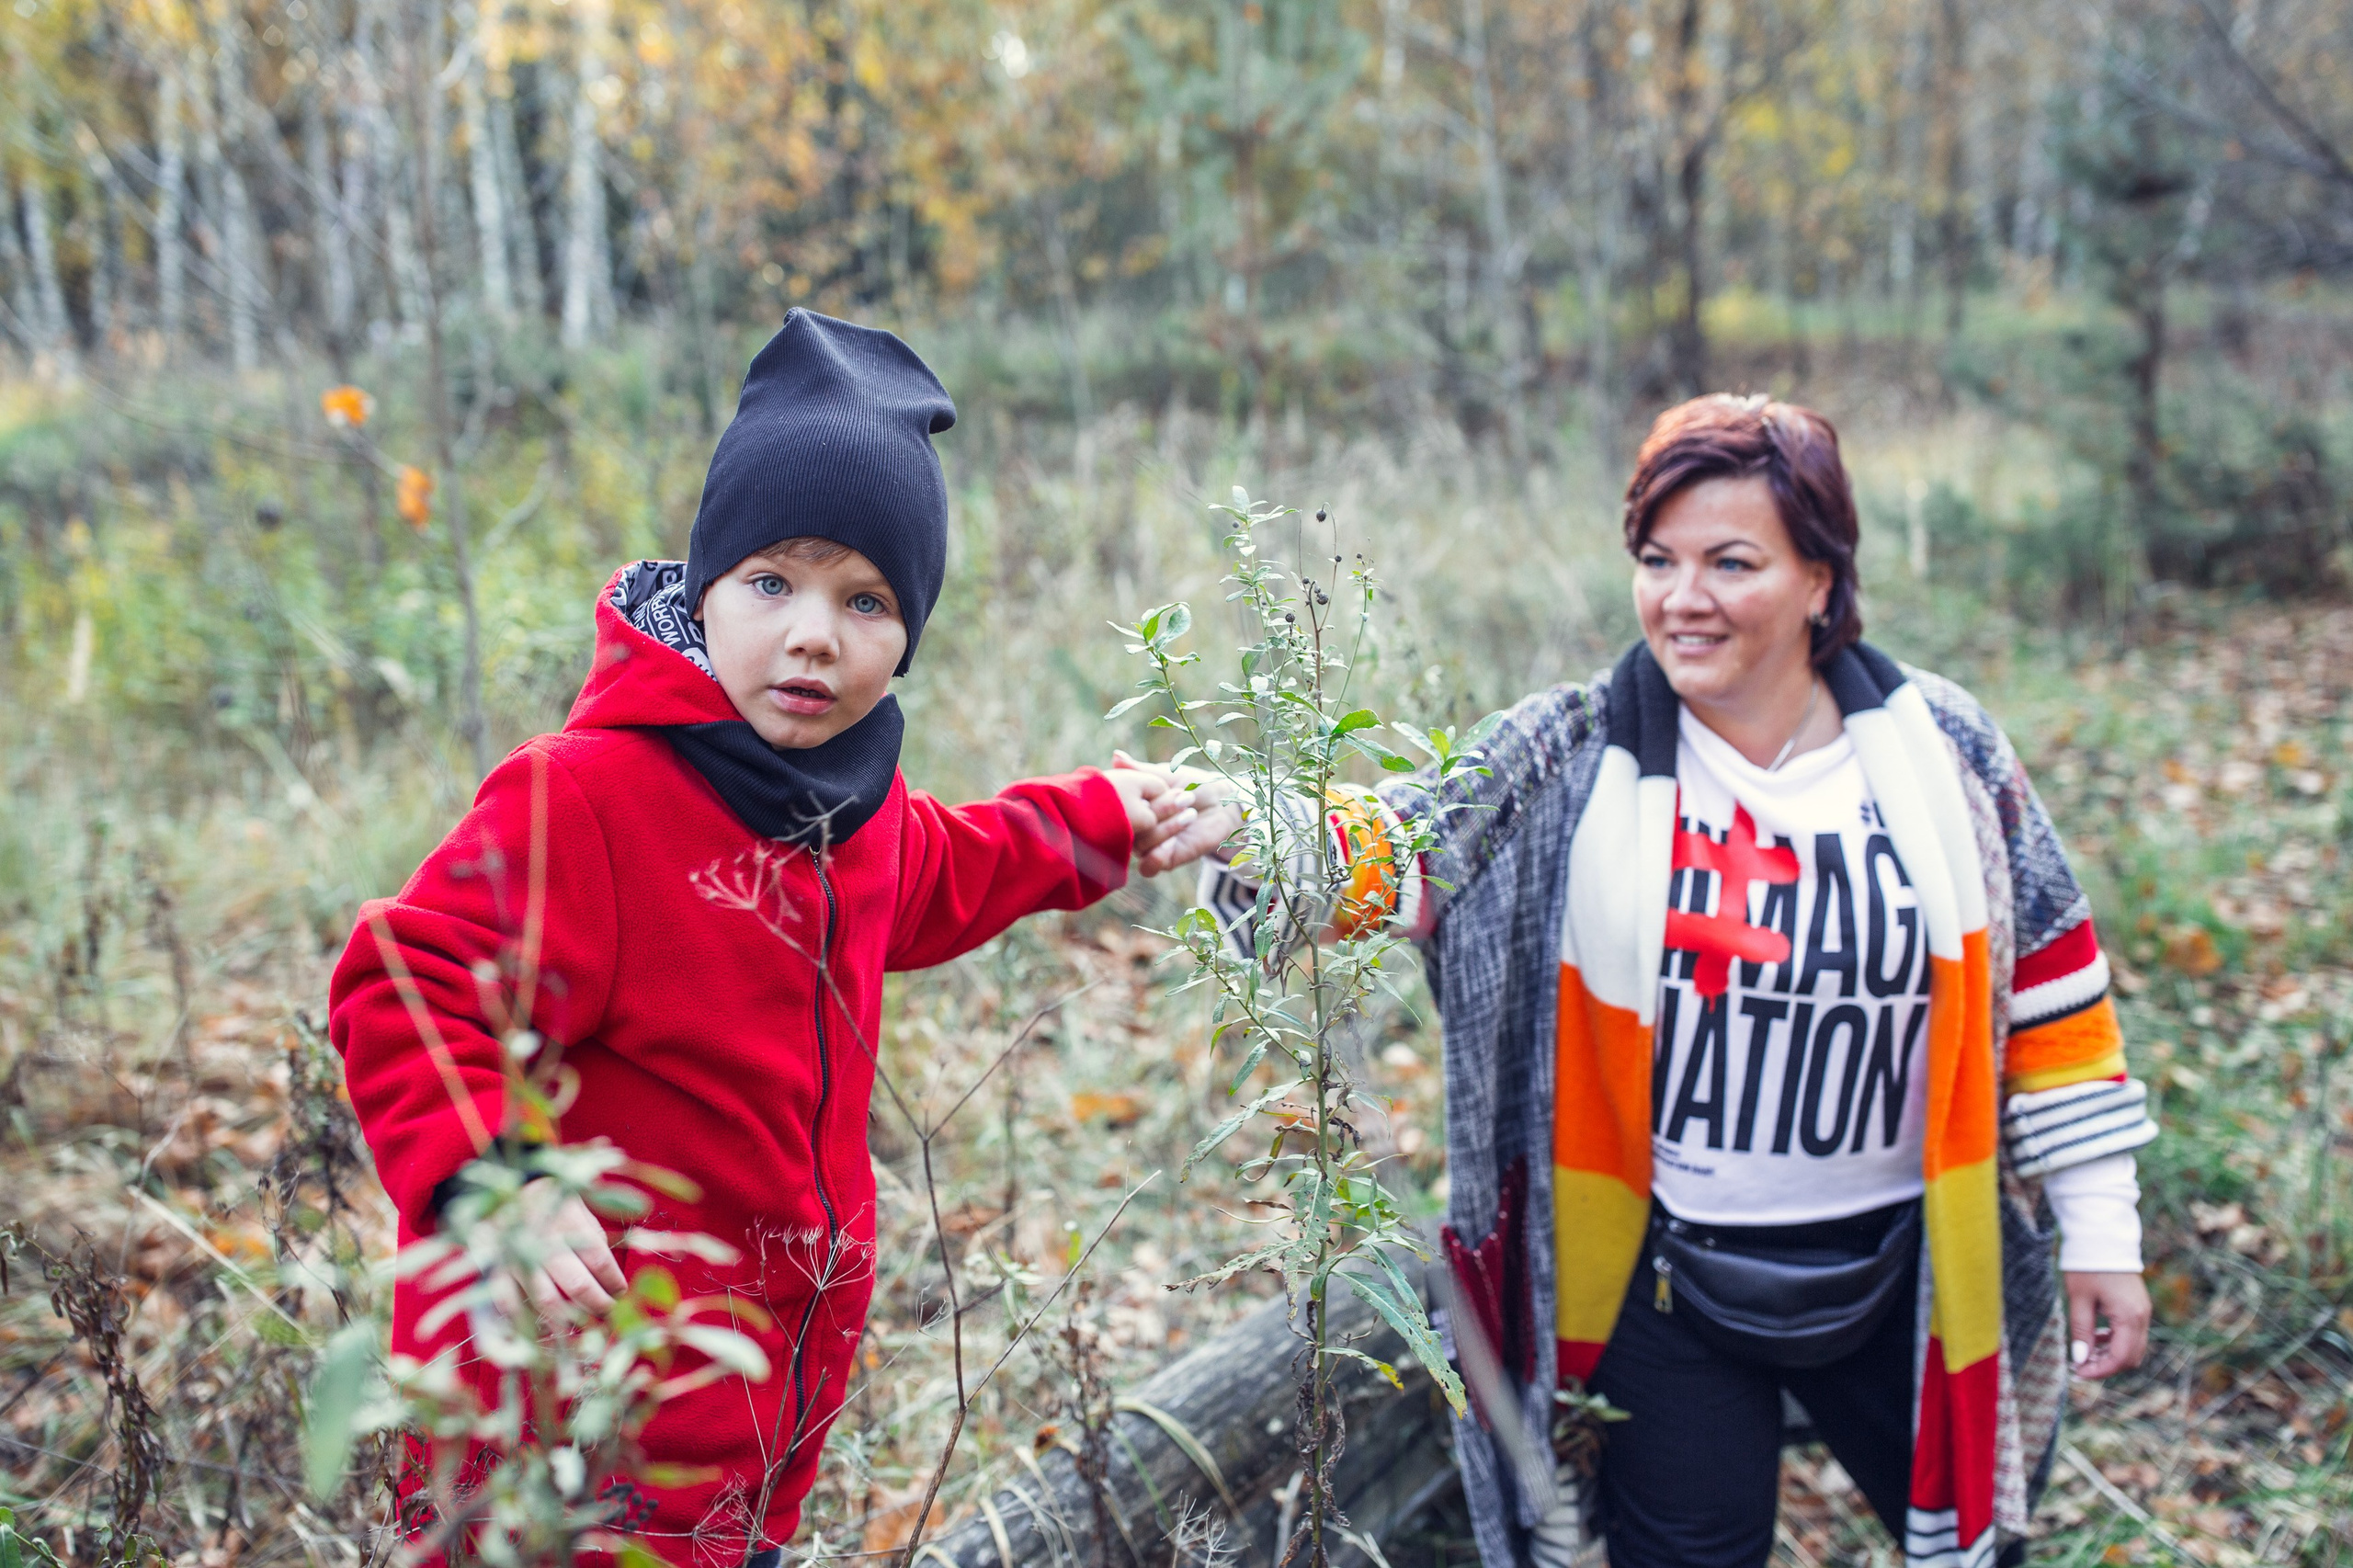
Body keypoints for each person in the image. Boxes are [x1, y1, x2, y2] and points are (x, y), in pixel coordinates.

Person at [1155, 394, 2157, 1568]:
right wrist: (1244, 820)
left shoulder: (1945, 748)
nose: (1683, 597)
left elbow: (2050, 986)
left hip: (1911, 1261)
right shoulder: (1567, 750)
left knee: (1974, 1540)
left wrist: (2103, 1229)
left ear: (1821, 581)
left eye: (1731, 561)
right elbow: (1400, 855)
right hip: (1663, 1284)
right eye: (1656, 558)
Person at [329, 310, 1207, 1567]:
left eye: (867, 600)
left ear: (906, 638)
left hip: (752, 1412)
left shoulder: (846, 804)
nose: (814, 632)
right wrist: (497, 1183)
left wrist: (1100, 823)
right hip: (573, 1419)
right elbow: (401, 982)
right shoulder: (585, 797)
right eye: (773, 582)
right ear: (707, 588)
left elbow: (951, 867)